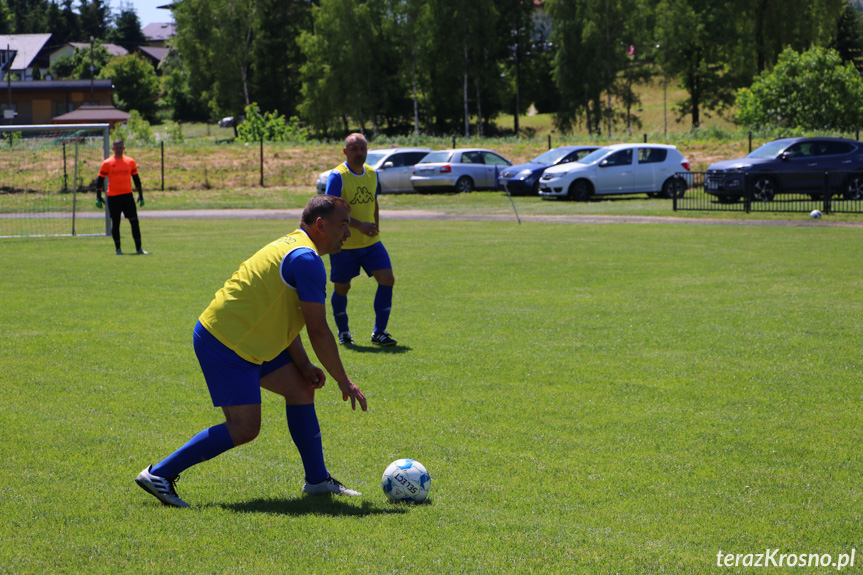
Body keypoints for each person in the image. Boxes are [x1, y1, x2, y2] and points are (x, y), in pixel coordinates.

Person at [135, 195, 367, 508]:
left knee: (301, 388)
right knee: (244, 427)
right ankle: (159, 474)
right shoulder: (307, 260)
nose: (348, 233)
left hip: (243, 337)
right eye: (343, 225)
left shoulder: (297, 247)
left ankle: (317, 481)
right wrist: (344, 381)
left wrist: (302, 364)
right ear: (321, 224)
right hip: (226, 342)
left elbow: (279, 315)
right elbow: (319, 330)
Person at [325, 133, 397, 347]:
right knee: (342, 289)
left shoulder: (372, 173)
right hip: (343, 245)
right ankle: (344, 331)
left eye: (362, 149)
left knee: (388, 279)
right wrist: (359, 226)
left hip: (371, 243)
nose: (359, 153)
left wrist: (375, 226)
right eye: (354, 149)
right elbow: (331, 209)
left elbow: (373, 203)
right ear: (345, 151)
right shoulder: (338, 176)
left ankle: (380, 332)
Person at [95, 139, 147, 255]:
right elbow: (100, 181)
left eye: (120, 147)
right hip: (113, 197)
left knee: (134, 221)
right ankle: (118, 249)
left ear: (124, 148)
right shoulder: (107, 163)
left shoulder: (130, 161)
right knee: (116, 223)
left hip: (127, 196)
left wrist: (141, 195)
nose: (118, 149)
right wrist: (98, 197)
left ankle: (139, 249)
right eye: (116, 147)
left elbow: (136, 179)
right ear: (113, 149)